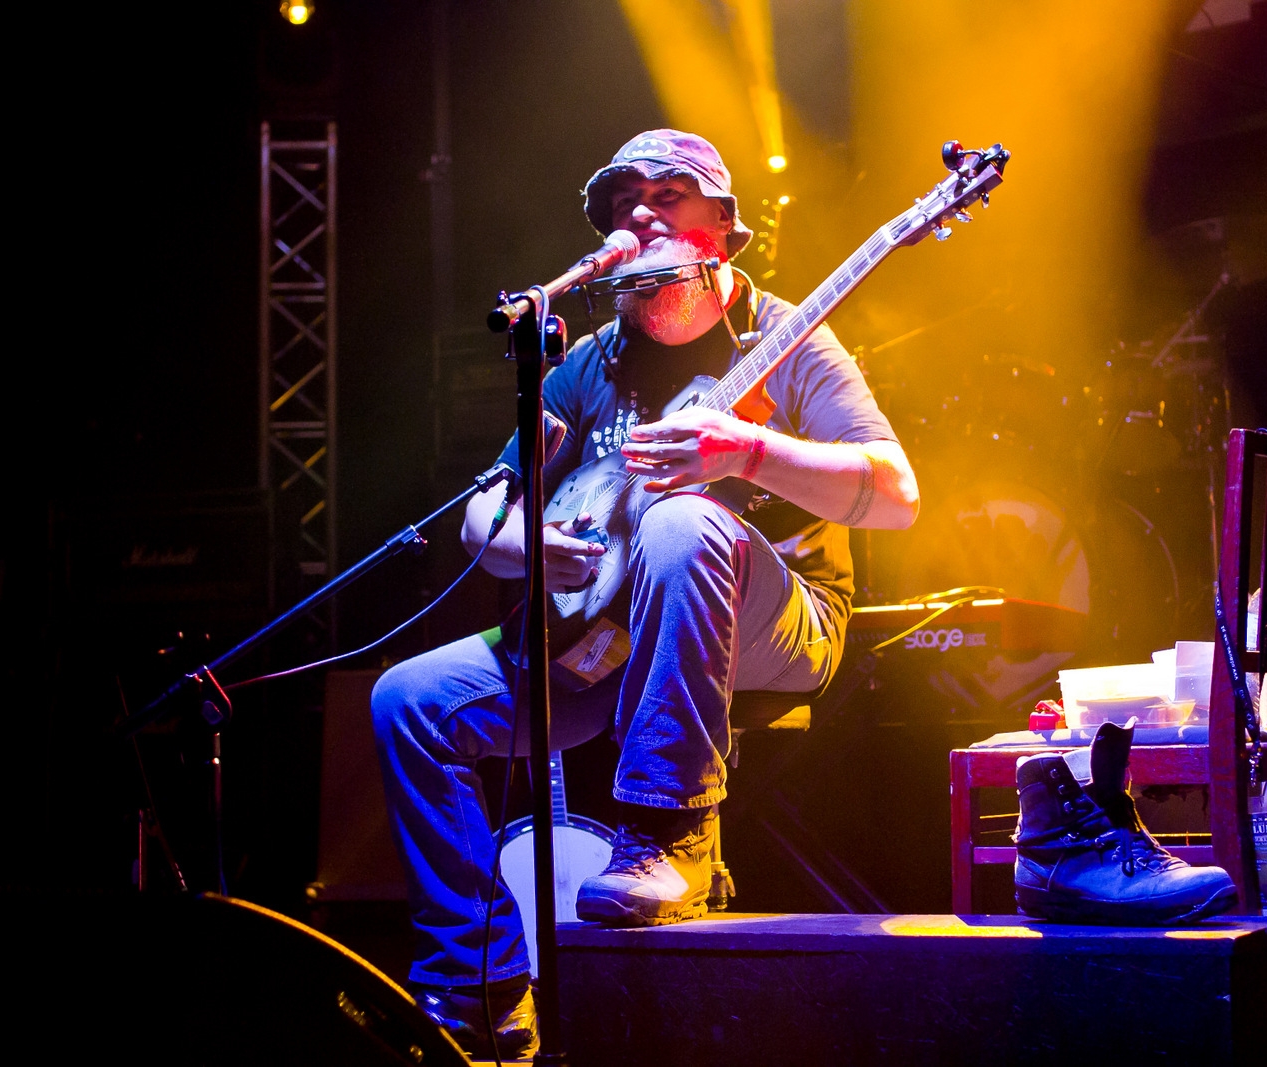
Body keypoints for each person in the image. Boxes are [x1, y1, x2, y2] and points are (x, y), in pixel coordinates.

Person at [371, 128, 919, 1056]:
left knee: (680, 522)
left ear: (723, 228)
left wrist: (745, 452)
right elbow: (484, 511)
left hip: (780, 619)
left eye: (668, 193)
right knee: (410, 702)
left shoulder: (793, 338)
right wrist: (520, 544)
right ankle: (481, 984)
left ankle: (671, 834)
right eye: (624, 196)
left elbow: (899, 496)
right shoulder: (588, 359)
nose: (640, 210)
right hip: (612, 630)